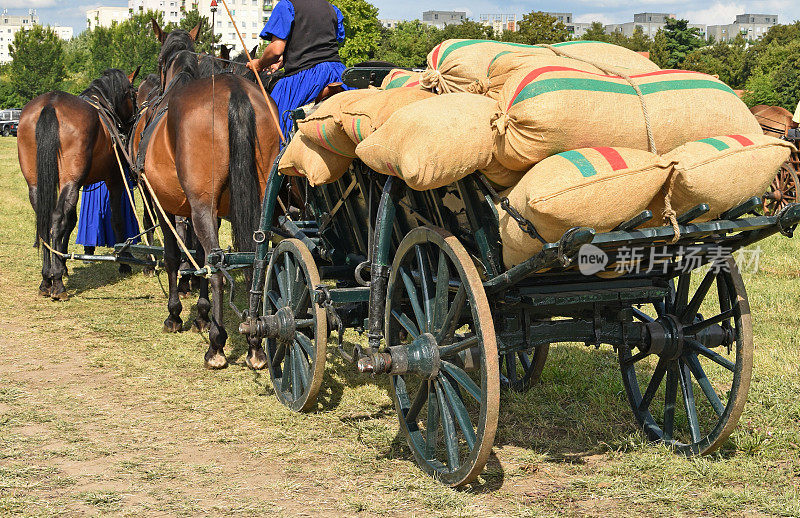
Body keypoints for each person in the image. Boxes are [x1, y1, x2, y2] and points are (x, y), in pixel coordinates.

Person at [248, 0, 349, 138]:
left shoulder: (286, 5)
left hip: (307, 77)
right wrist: (285, 60)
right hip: (337, 73)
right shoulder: (332, 9)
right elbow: (316, 42)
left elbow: (276, 49)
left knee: (273, 126)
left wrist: (258, 64)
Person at [75, 178, 139, 255]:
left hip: (119, 178)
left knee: (120, 207)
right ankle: (89, 248)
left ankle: (125, 248)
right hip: (95, 177)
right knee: (94, 209)